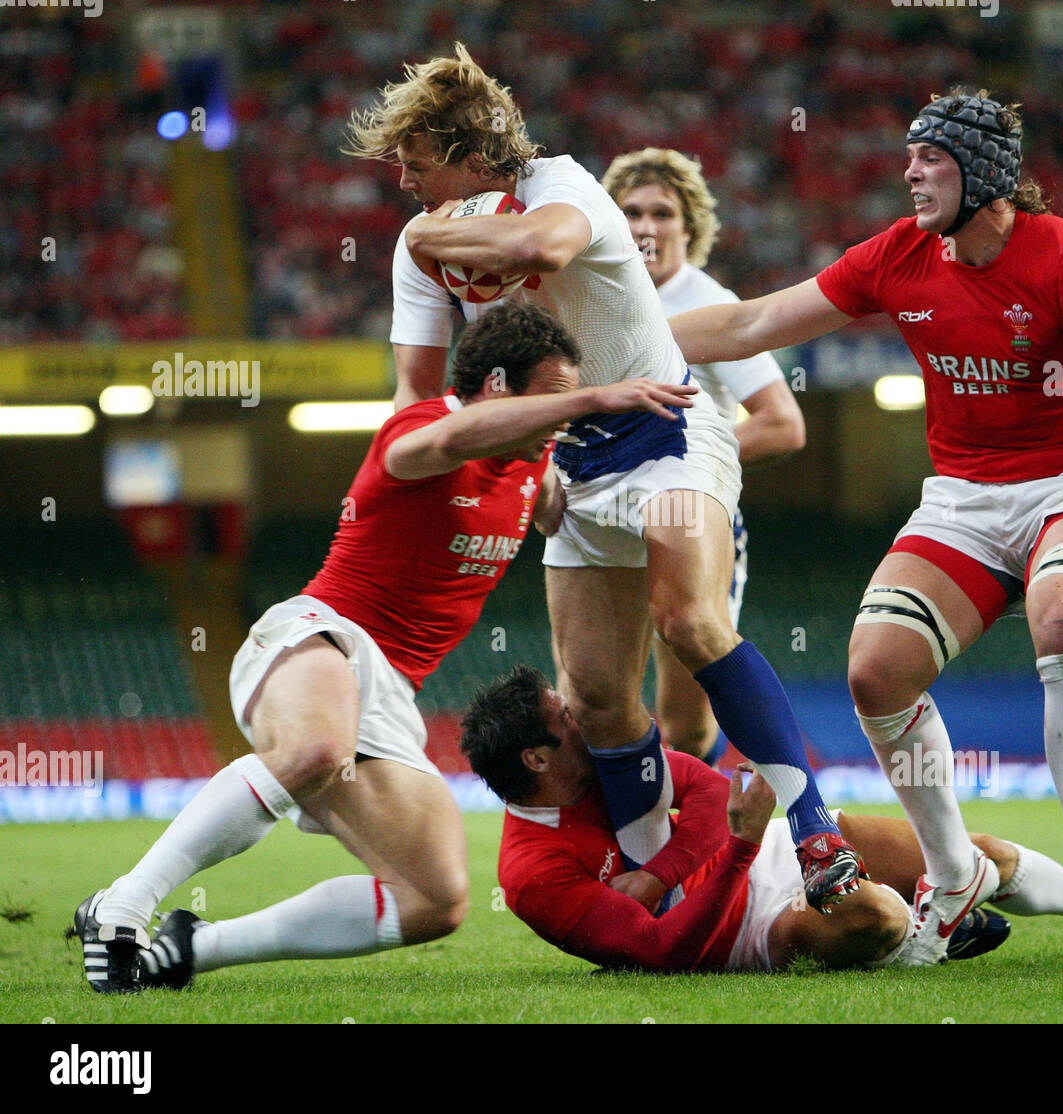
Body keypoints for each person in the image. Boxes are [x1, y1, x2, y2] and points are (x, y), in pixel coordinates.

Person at [343, 44, 866, 912]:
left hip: (666, 421)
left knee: (690, 622)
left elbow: (542, 243)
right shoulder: (418, 245)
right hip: (570, 453)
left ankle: (817, 834)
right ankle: (658, 880)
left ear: (470, 153)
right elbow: (416, 392)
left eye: (415, 161)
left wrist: (433, 235)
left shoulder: (562, 184)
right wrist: (476, 470)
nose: (403, 182)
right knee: (592, 697)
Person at [669, 90, 1063, 961]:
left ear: (983, 175)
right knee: (875, 672)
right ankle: (954, 872)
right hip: (964, 497)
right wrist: (617, 339)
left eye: (930, 160)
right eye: (909, 157)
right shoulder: (899, 256)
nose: (909, 173)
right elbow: (756, 321)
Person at [72, 303, 697, 992]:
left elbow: (578, 509)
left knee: (436, 900)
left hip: (393, 691)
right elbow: (443, 444)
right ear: (493, 385)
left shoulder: (537, 460)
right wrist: (598, 394)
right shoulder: (420, 426)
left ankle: (193, 948)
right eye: (552, 400)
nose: (564, 419)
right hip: (319, 635)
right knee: (315, 753)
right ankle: (124, 902)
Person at [458, 666, 1063, 974]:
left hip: (749, 854)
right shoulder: (530, 875)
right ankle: (936, 931)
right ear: (535, 759)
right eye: (567, 719)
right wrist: (733, 845)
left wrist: (663, 871)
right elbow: (664, 950)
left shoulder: (615, 764)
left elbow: (709, 792)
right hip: (739, 934)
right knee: (878, 916)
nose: (589, 721)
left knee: (966, 852)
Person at [602, 147, 806, 765]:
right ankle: (630, 845)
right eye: (630, 212)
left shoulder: (708, 302)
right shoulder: (596, 300)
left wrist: (679, 465)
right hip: (604, 519)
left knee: (686, 723)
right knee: (596, 697)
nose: (644, 227)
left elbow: (782, 423)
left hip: (690, 522)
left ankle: (700, 839)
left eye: (662, 213)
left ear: (690, 227)